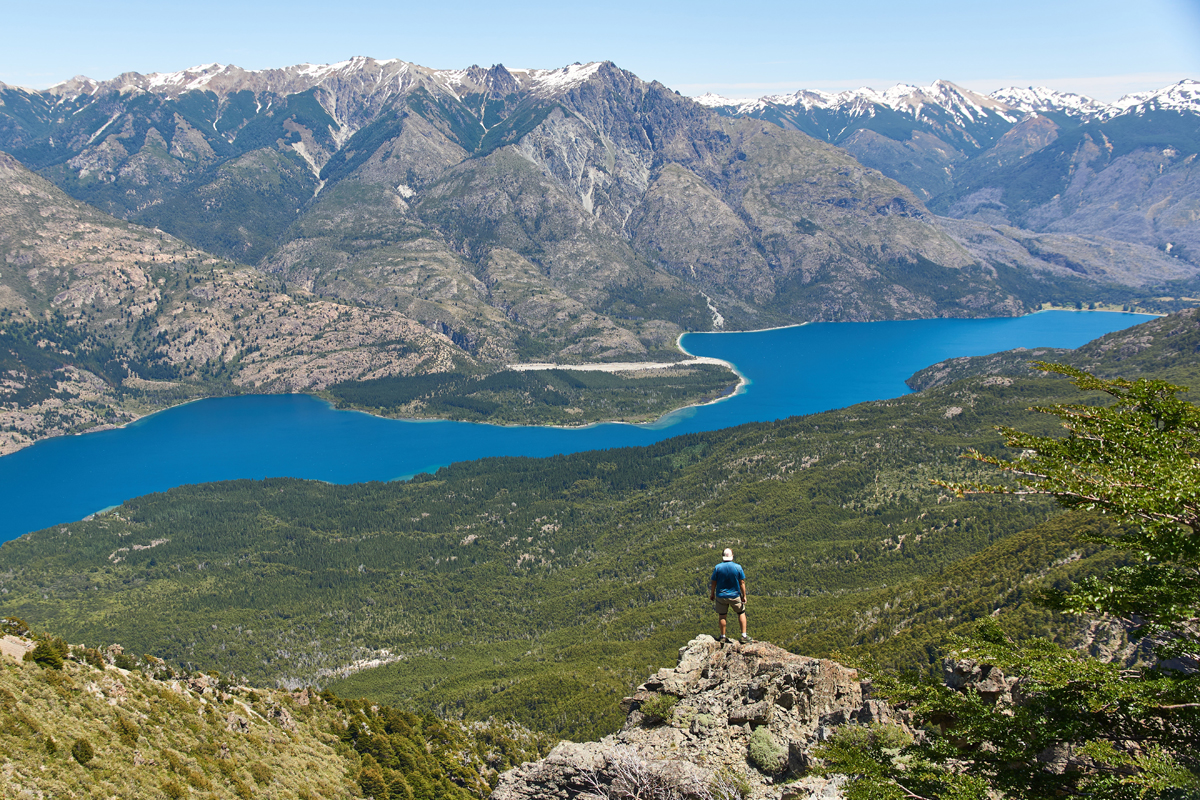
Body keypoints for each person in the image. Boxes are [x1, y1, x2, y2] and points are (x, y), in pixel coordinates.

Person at [709, 548, 751, 644]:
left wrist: (712, 594)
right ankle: (744, 636)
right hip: (735, 595)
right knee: (741, 613)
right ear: (732, 556)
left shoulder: (718, 567)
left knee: (722, 615)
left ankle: (723, 636)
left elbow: (714, 582)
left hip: (721, 595)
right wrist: (744, 595)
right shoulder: (737, 567)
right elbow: (742, 582)